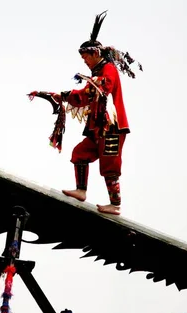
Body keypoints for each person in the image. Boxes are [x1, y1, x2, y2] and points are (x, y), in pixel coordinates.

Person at [51, 10, 142, 215]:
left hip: (112, 126)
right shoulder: (97, 72)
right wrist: (64, 96)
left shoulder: (108, 69)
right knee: (80, 153)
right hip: (98, 127)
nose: (85, 62)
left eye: (86, 58)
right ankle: (81, 190)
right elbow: (86, 95)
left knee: (109, 165)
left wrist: (73, 91)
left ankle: (116, 204)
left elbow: (101, 88)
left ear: (95, 54)